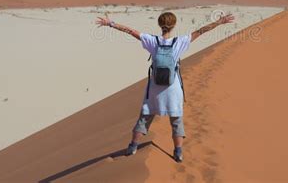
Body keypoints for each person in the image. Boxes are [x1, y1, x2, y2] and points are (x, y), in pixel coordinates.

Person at [96, 11, 234, 162]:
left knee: (144, 119)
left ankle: (132, 147)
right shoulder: (180, 42)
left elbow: (131, 31)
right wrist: (220, 22)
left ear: (160, 25)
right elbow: (201, 31)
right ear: (174, 25)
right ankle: (178, 152)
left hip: (155, 90)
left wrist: (111, 24)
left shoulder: (152, 41)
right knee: (176, 121)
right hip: (173, 90)